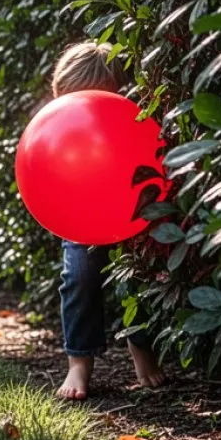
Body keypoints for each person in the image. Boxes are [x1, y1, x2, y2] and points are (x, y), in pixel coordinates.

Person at [48, 41, 167, 400]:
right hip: (81, 209)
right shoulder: (56, 126)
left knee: (136, 274)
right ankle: (79, 362)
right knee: (79, 276)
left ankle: (141, 348)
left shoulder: (129, 118)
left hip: (129, 204)